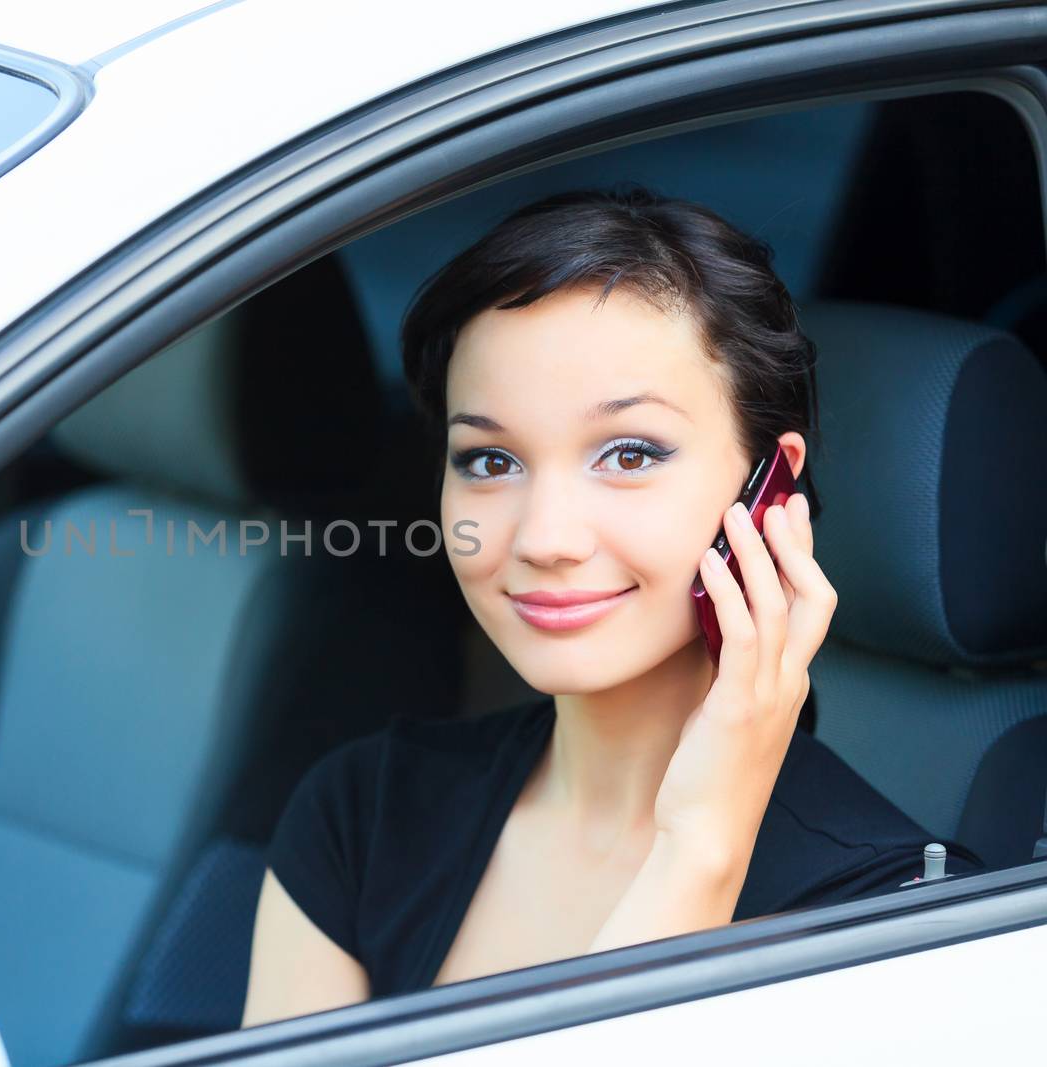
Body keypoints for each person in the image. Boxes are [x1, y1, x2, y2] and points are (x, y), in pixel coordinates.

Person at [239, 186, 985, 1027]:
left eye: (629, 453)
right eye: (489, 461)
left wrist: (699, 852)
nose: (546, 538)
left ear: (769, 491)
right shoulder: (363, 815)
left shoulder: (911, 927)